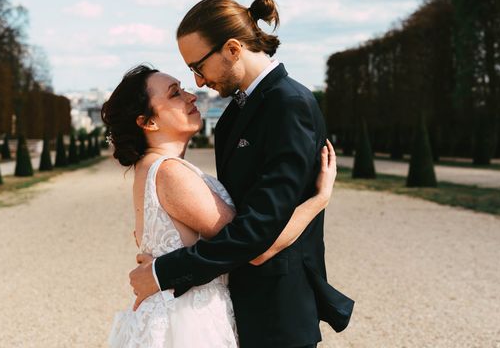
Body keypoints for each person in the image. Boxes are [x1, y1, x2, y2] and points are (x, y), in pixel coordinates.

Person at [129, 0, 354, 348]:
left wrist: (162, 272)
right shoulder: (233, 115)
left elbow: (257, 233)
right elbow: (232, 221)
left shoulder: (289, 105)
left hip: (278, 311)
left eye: (198, 67)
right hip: (233, 307)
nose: (198, 82)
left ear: (232, 49)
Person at [103, 65, 337, 347]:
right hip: (191, 323)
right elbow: (257, 245)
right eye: (175, 93)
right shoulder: (170, 172)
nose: (191, 95)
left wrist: (163, 269)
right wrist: (319, 200)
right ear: (148, 122)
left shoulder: (149, 168)